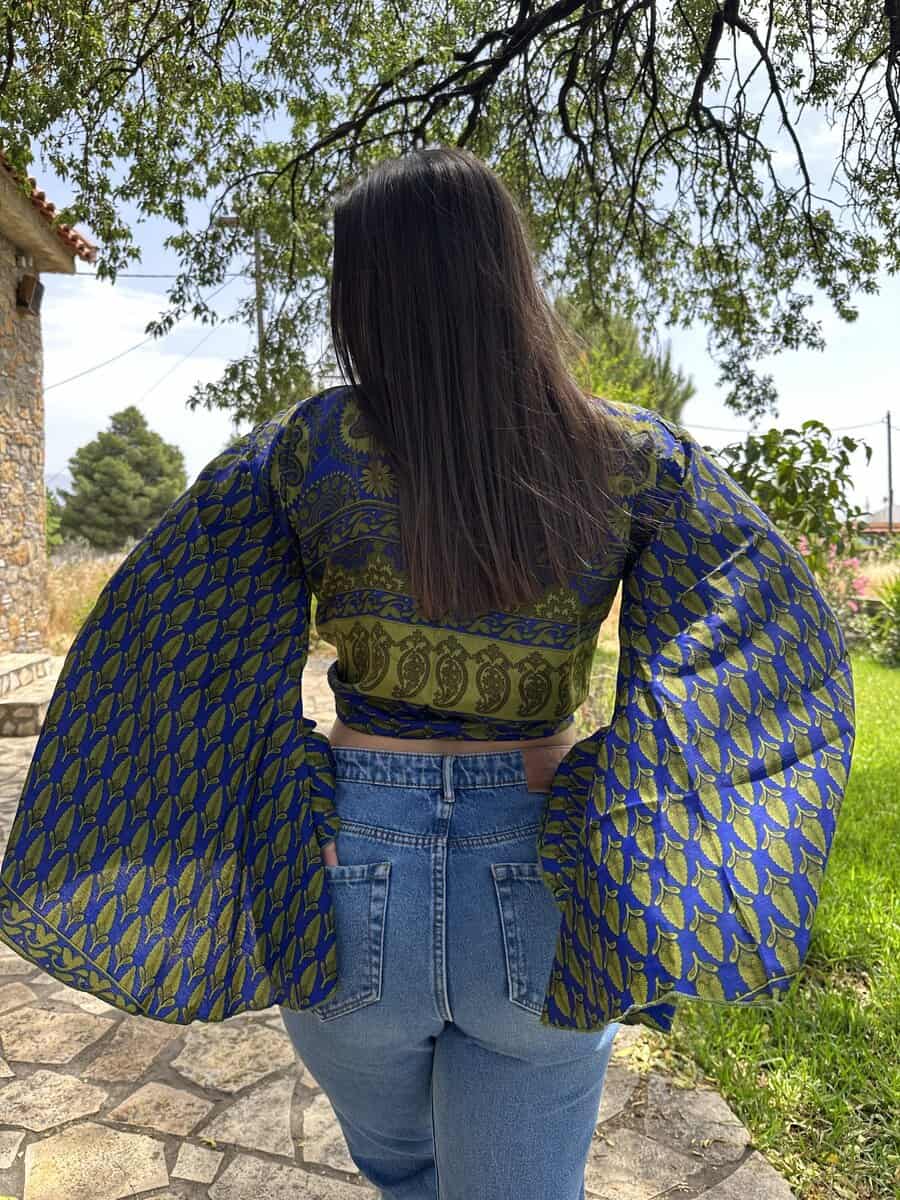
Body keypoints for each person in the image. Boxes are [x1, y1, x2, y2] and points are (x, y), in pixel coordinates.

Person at [0, 146, 856, 1200]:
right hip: (540, 875)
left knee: (403, 1174)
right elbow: (762, 639)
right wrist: (618, 792)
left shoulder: (305, 449)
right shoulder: (631, 455)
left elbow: (168, 643)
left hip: (348, 873)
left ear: (363, 290)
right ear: (508, 273)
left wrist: (280, 787)